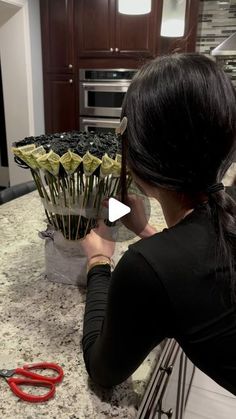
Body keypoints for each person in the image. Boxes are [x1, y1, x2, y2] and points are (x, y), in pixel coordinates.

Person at [81, 53, 236, 394]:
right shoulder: (226, 215)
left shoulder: (147, 269)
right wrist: (149, 232)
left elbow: (102, 370)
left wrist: (98, 261)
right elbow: (192, 270)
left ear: (134, 155)